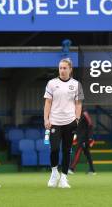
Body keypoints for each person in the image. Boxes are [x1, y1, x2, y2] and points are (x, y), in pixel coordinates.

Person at [44, 58, 83, 189]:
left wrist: (77, 119)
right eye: (60, 68)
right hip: (54, 122)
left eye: (65, 68)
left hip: (70, 122)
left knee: (67, 151)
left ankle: (64, 178)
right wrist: (46, 119)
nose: (62, 70)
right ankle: (54, 173)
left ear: (70, 69)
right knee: (54, 149)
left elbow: (78, 103)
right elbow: (48, 102)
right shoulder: (51, 83)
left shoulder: (77, 84)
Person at [68, 109, 95, 175]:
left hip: (84, 138)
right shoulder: (75, 114)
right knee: (87, 153)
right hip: (80, 137)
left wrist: (90, 137)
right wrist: (74, 134)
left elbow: (90, 125)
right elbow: (76, 127)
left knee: (78, 151)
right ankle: (92, 170)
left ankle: (72, 168)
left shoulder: (85, 113)